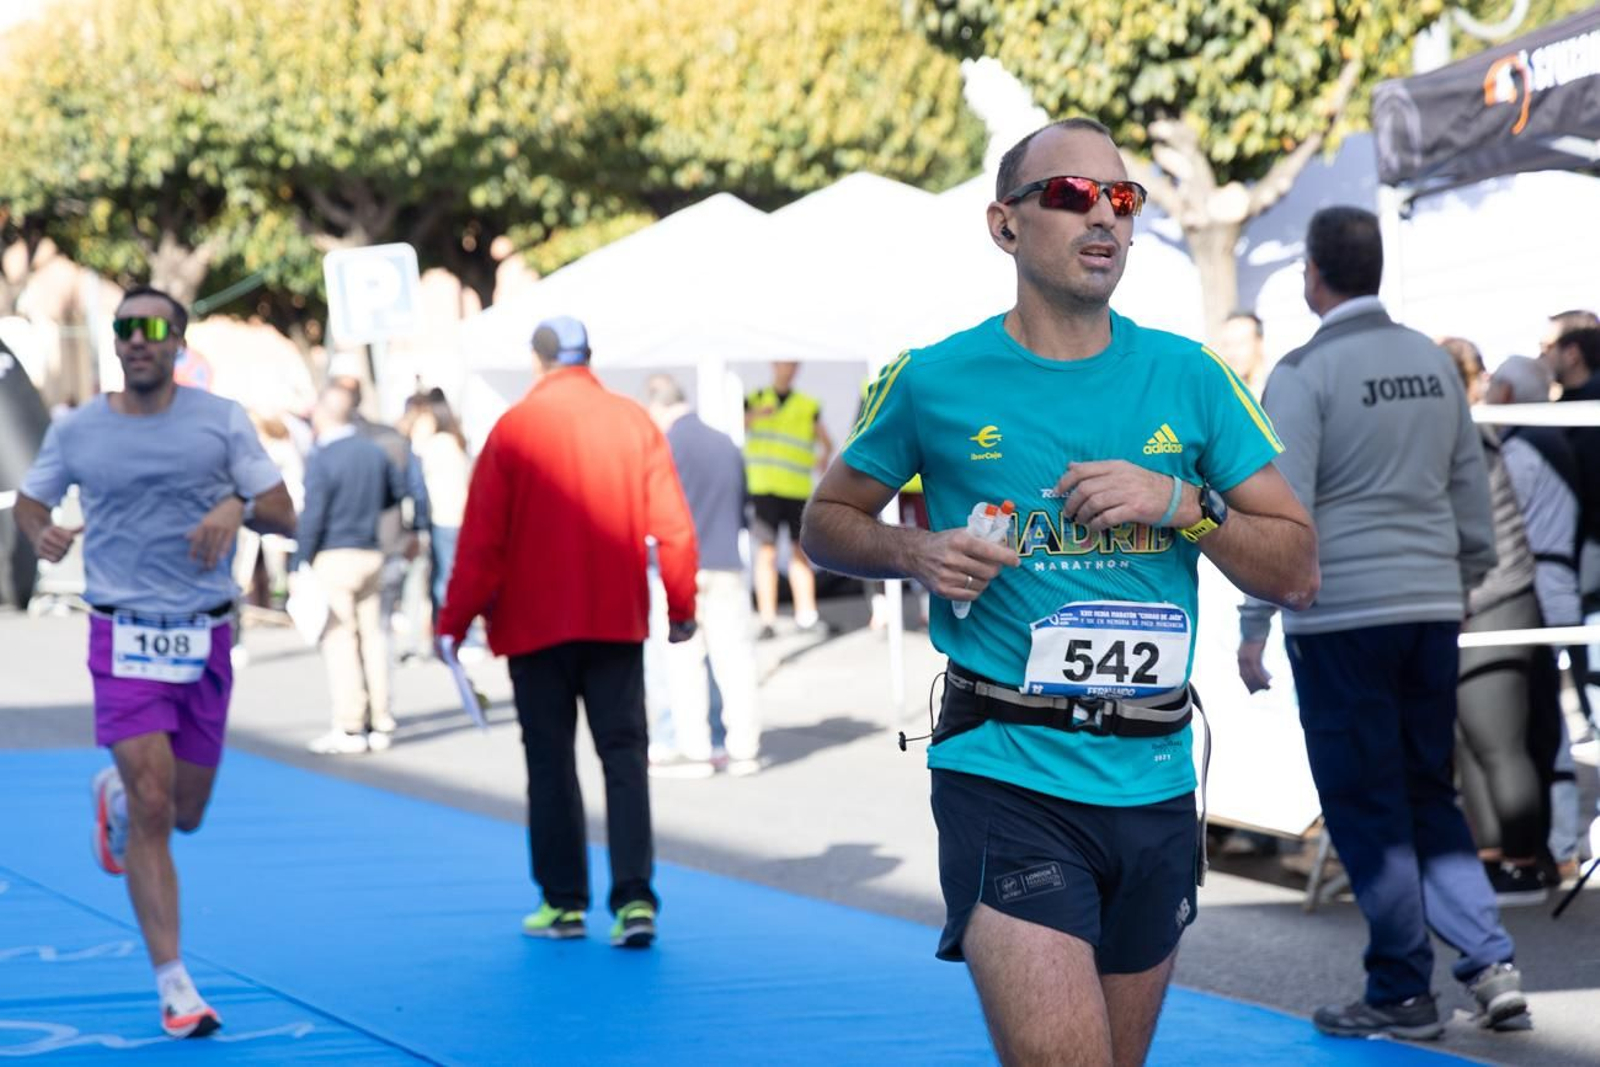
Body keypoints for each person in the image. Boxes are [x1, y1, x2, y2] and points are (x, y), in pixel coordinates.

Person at [802, 118, 1318, 1066]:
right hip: (1007, 771)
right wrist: (914, 553)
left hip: (1156, 779)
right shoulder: (932, 379)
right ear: (1004, 225)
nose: (1106, 219)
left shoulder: (1191, 376)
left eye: (1122, 199)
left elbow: (1297, 567)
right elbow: (824, 520)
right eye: (1073, 196)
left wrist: (1183, 505)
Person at [1238, 207, 1529, 1039]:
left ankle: (1403, 987)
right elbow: (1469, 487)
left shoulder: (1302, 372)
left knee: (1365, 804)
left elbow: (1277, 507)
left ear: (1312, 275)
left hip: (1341, 613)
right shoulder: (1435, 366)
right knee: (1425, 788)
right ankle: (1488, 961)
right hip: (1431, 603)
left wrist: (1254, 620)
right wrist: (1466, 574)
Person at [13, 285, 295, 1038]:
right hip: (122, 634)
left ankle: (110, 794)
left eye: (152, 328)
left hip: (204, 636)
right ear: (117, 343)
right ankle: (174, 984)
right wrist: (42, 531)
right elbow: (30, 501)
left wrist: (236, 504)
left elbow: (285, 511)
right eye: (124, 329)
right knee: (153, 804)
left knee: (185, 811)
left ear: (178, 342)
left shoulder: (221, 421)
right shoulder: (80, 428)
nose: (137, 340)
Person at [438, 316, 698, 949]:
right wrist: (681, 606)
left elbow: (481, 543)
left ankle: (564, 903)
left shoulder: (513, 430)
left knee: (550, 764)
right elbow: (675, 526)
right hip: (614, 620)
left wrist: (452, 622)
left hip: (533, 628)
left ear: (538, 361)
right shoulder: (632, 421)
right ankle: (635, 899)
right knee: (625, 759)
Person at [1440, 340, 1549, 905]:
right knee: (1468, 735)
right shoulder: (1458, 433)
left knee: (1497, 737)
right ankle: (1490, 858)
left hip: (1498, 597)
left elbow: (1481, 539)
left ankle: (1525, 863)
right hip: (1471, 598)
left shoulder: (1468, 439)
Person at [1485, 356, 1587, 885]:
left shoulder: (1519, 452)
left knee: (1544, 722)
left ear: (1507, 394)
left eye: (1492, 387)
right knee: (1549, 721)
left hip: (1540, 598)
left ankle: (1559, 843)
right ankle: (1560, 843)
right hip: (1555, 590)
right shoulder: (1540, 443)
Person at [644, 374, 762, 778]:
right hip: (727, 560)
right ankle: (744, 748)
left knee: (684, 661)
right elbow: (744, 504)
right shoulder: (726, 444)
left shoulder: (664, 447)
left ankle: (696, 750)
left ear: (659, 408)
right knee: (736, 659)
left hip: (680, 567)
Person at [295, 384, 408, 755]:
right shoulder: (373, 453)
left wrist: (301, 560)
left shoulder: (324, 458)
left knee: (340, 640)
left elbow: (313, 513)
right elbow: (396, 492)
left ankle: (350, 723)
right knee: (373, 637)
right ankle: (382, 717)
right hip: (370, 549)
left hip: (335, 554)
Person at [745, 360, 833, 639]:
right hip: (765, 489)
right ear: (773, 365)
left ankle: (806, 615)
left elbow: (826, 442)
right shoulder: (755, 399)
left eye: (793, 364)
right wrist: (757, 414)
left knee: (799, 552)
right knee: (766, 552)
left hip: (795, 490)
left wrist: (822, 459)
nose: (788, 369)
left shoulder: (807, 404)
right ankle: (767, 619)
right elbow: (736, 427)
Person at [397, 393, 471, 630]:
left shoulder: (438, 444)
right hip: (456, 517)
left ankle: (452, 631)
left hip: (444, 518)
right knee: (451, 575)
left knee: (445, 579)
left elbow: (417, 476)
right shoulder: (454, 441)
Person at [1214, 309, 1269, 395]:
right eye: (1227, 345)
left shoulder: (1278, 388)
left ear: (1259, 343)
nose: (1232, 353)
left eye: (1240, 343)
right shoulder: (1220, 396)